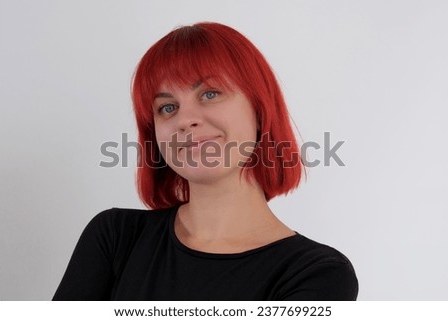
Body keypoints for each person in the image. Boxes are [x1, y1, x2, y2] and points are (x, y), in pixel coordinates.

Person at [53, 22, 358, 300]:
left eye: (210, 93)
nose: (184, 120)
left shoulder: (317, 274)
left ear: (260, 109)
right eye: (168, 107)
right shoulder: (116, 238)